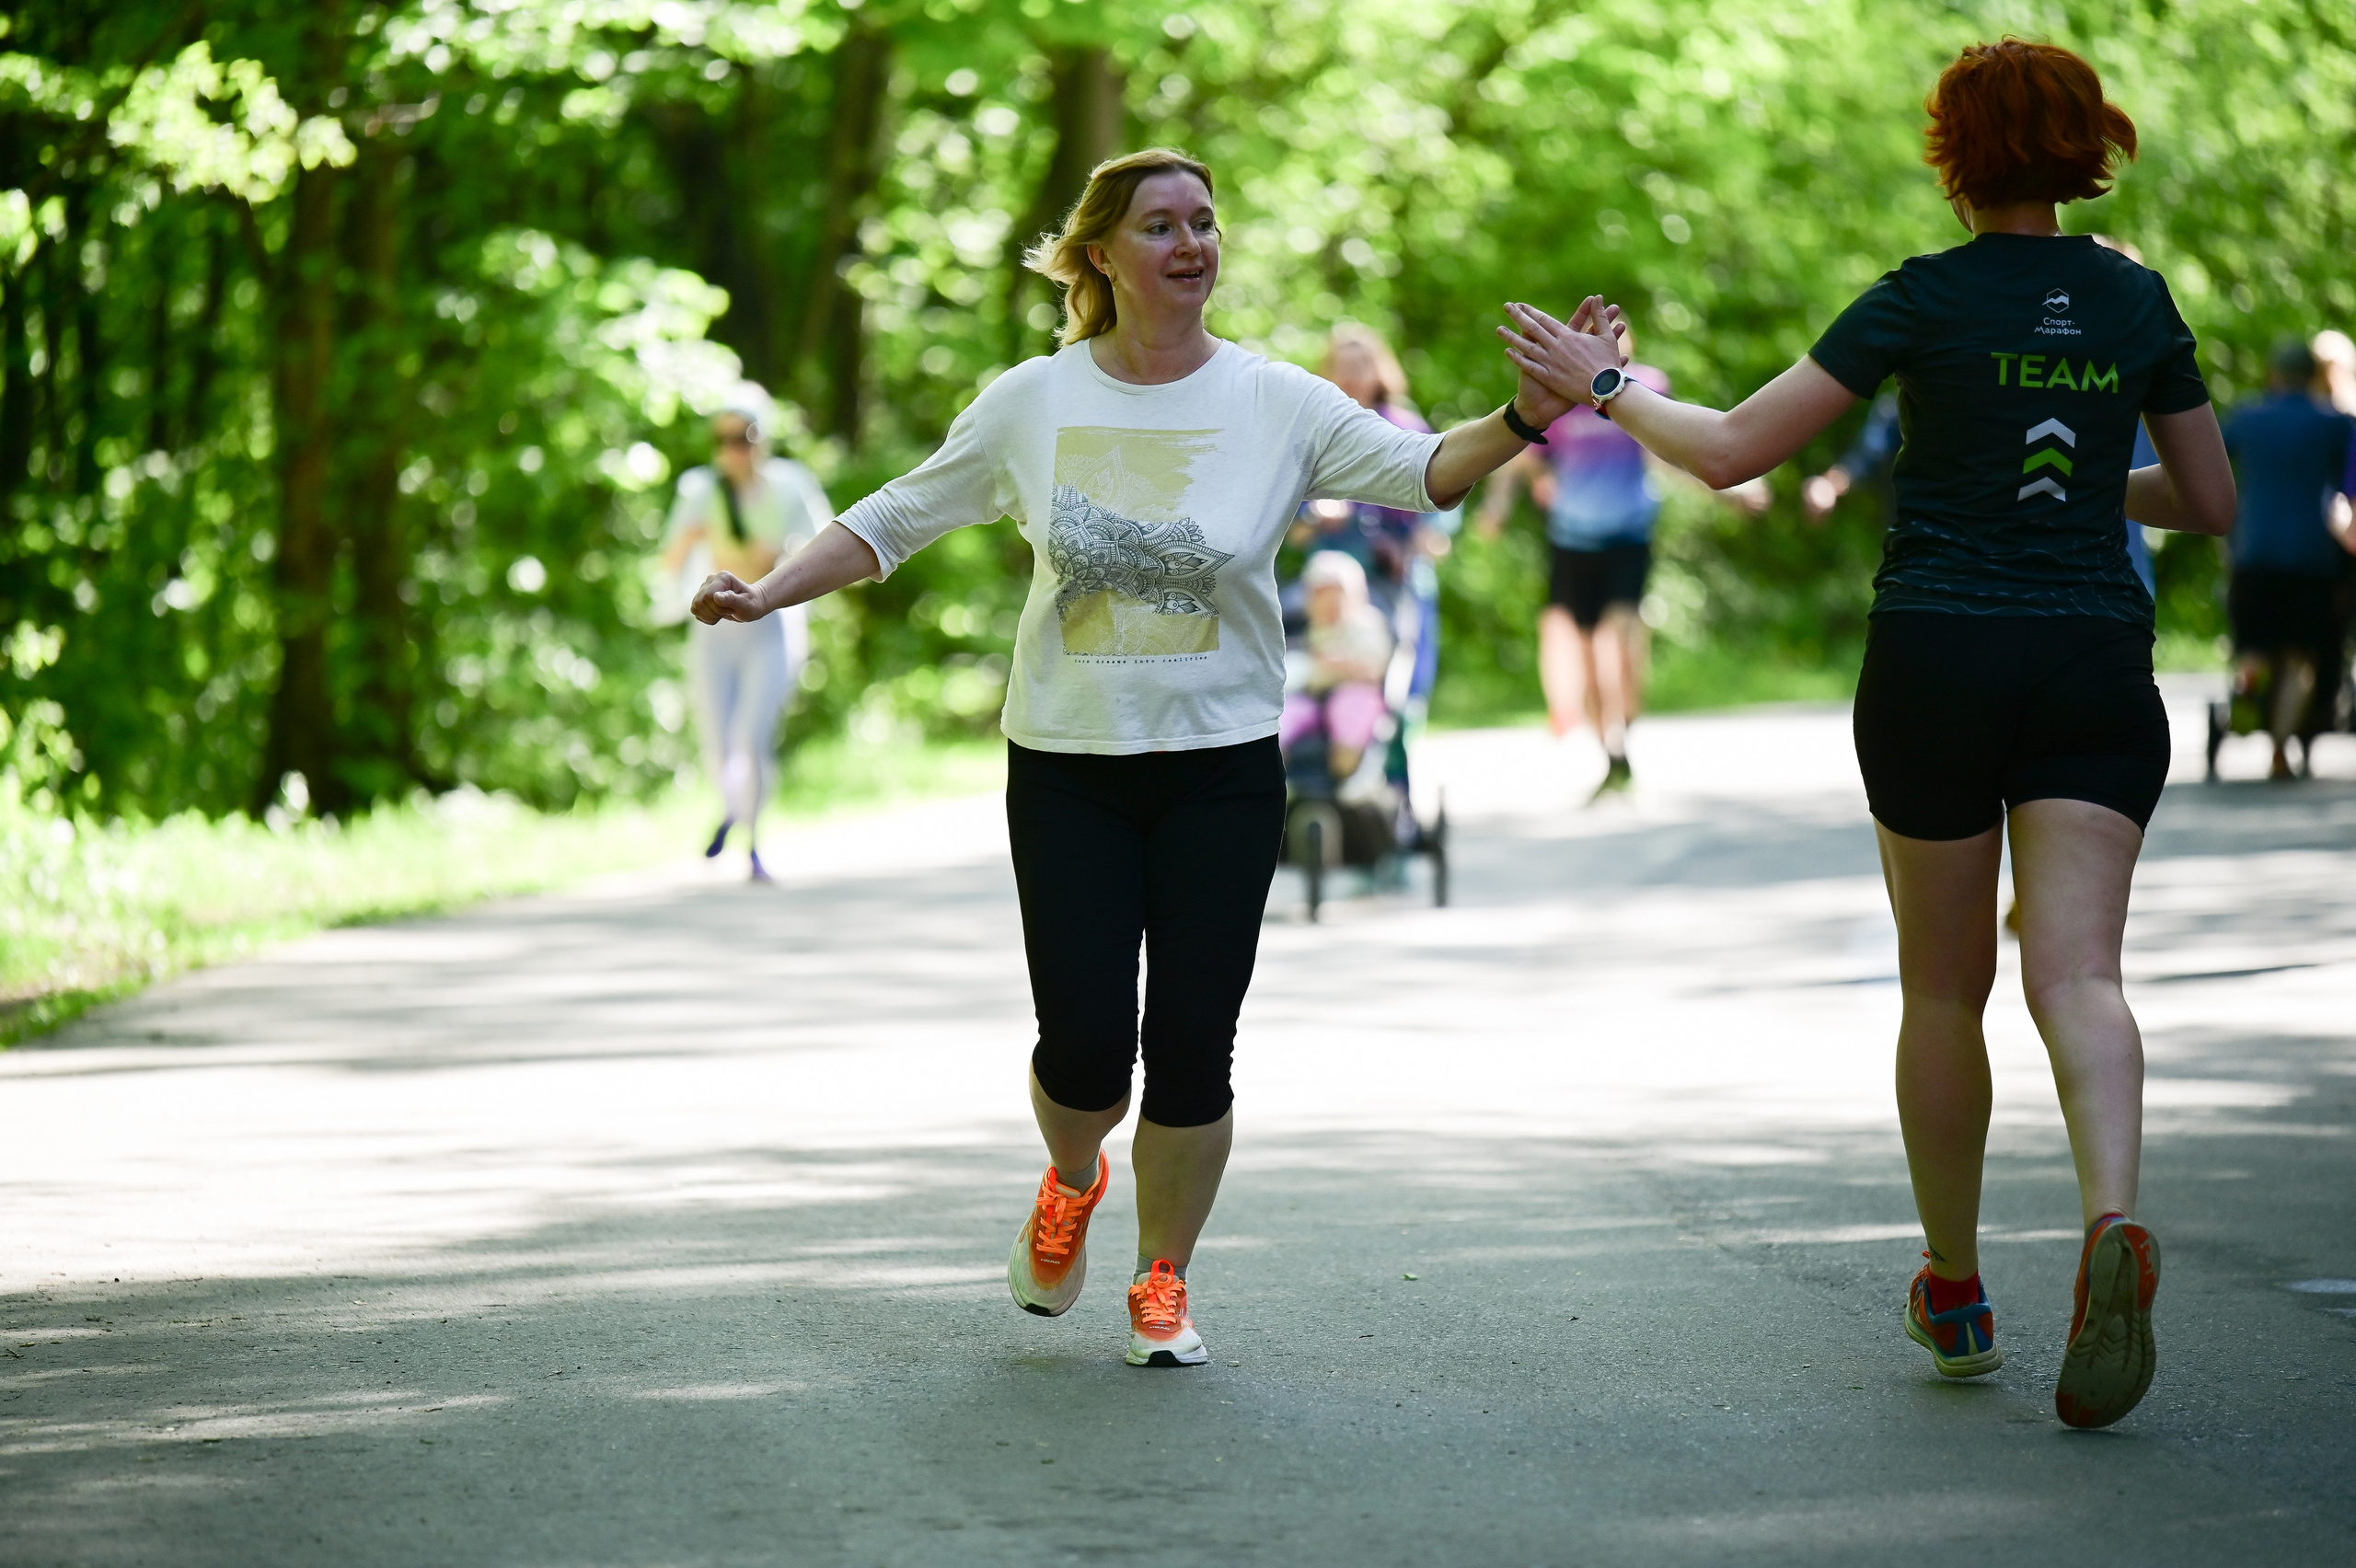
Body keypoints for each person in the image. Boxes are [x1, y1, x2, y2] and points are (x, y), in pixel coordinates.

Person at [689, 149, 1592, 1369]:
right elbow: (890, 519)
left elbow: (1421, 471)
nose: (1190, 244)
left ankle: (1162, 1279)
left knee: (1193, 1044)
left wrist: (1534, 412)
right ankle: (1071, 1179)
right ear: (1101, 255)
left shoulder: (1274, 401)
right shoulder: (1033, 402)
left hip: (1221, 765)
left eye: (1206, 223)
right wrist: (766, 594)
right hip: (1068, 762)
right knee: (1083, 1052)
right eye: (1161, 225)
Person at [1507, 40, 2236, 1428]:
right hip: (2092, 662)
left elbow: (1725, 450)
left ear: (1953, 157)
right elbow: (2207, 500)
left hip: (1938, 662)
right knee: (2079, 973)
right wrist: (2076, 498)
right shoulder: (2135, 300)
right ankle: (2111, 1219)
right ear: (2092, 146)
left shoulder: (1920, 298)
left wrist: (1605, 386)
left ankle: (1955, 1287)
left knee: (1943, 988)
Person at [1477, 319, 1767, 797]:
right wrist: (1499, 506)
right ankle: (1610, 755)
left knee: (1622, 640)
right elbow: (1522, 454)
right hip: (1572, 540)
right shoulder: (1562, 397)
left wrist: (1729, 490)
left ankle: (1625, 732)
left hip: (1628, 535)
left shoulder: (1643, 390)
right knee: (1590, 654)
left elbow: (1671, 455)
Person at [660, 386, 833, 882]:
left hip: (770, 628)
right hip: (716, 634)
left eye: (744, 436)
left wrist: (774, 554)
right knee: (717, 741)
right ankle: (732, 811)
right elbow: (670, 562)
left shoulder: (790, 485)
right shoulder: (700, 490)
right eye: (724, 438)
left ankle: (752, 842)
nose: (733, 448)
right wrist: (694, 540)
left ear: (762, 438)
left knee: (750, 738)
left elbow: (821, 548)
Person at [2219, 339, 2356, 778]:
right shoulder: (2335, 424)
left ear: (2273, 373)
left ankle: (2244, 711)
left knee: (2254, 649)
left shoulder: (2245, 417)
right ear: (2314, 376)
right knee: (2302, 655)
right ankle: (2280, 747)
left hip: (2253, 550)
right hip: (2311, 556)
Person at [1279, 549, 1394, 784]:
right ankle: (1278, 774)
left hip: (1353, 693)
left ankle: (1344, 773)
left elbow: (1371, 670)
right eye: (1320, 596)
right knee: (1281, 717)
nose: (1329, 604)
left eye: (1337, 595)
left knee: (1353, 710)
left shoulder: (1367, 624)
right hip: (1310, 696)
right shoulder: (1303, 627)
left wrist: (1327, 665)